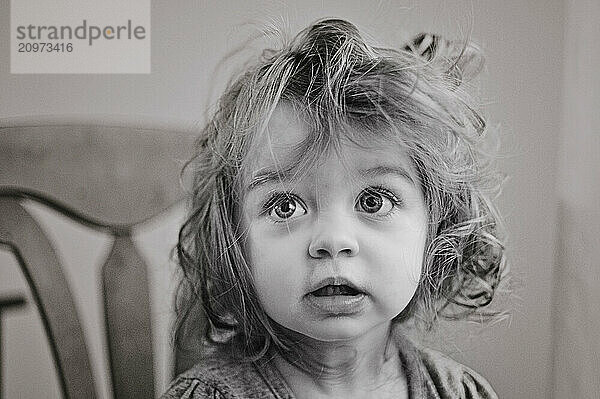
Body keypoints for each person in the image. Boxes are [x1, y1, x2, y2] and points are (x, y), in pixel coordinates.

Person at [162, 18, 507, 399]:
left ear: (437, 230)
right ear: (234, 240)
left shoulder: (459, 392)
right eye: (285, 206)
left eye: (373, 201)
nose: (333, 241)